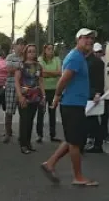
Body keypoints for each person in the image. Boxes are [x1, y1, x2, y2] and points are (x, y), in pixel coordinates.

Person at [40, 28, 99, 187]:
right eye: (86, 38)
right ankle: (78, 177)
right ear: (78, 39)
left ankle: (50, 164)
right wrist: (57, 95)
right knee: (75, 143)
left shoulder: (78, 57)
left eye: (91, 39)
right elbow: (64, 80)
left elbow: (74, 82)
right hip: (72, 105)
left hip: (76, 104)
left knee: (72, 139)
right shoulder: (76, 58)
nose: (90, 41)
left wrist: (90, 95)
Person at [15, 44, 44, 154]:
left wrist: (43, 96)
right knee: (24, 120)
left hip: (35, 96)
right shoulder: (21, 65)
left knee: (31, 120)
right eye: (29, 51)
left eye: (33, 51)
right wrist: (20, 96)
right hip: (24, 96)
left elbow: (40, 81)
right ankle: (23, 144)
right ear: (25, 53)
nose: (32, 53)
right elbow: (17, 81)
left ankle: (28, 143)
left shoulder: (38, 66)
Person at [37, 43, 62, 143]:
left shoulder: (57, 59)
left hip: (53, 89)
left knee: (52, 113)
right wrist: (53, 74)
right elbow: (41, 74)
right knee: (41, 113)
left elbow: (60, 73)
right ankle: (39, 135)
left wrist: (47, 73)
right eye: (49, 49)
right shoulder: (40, 60)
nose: (51, 51)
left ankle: (53, 135)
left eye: (52, 49)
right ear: (45, 50)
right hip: (43, 89)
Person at [84, 42, 106, 153]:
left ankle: (98, 144)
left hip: (92, 94)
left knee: (92, 120)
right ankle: (93, 140)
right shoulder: (85, 60)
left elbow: (100, 79)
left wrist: (98, 93)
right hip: (86, 92)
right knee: (89, 119)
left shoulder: (97, 62)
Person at [3, 38, 26, 143]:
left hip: (24, 87)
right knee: (9, 111)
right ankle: (7, 133)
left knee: (24, 111)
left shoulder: (26, 57)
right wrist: (21, 68)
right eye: (20, 45)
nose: (21, 47)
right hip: (11, 86)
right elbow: (8, 69)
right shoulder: (10, 57)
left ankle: (23, 135)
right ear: (15, 46)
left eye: (23, 45)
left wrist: (18, 68)